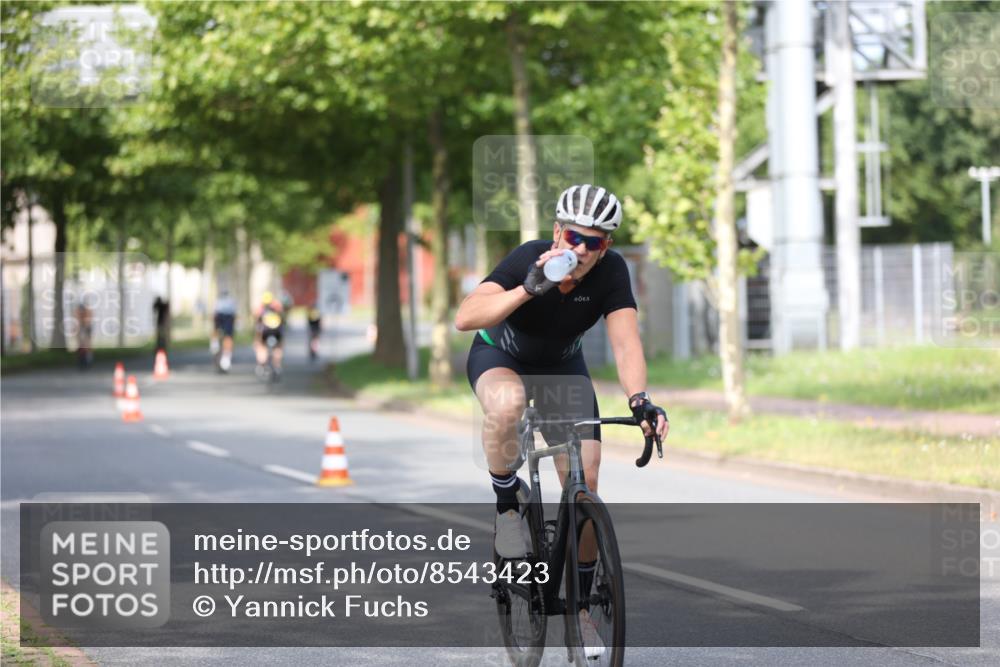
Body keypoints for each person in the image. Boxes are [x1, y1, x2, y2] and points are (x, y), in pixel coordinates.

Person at [454, 184, 669, 657]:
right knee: (507, 405)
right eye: (573, 237)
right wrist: (527, 289)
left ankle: (585, 612)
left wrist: (640, 399)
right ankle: (509, 504)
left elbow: (626, 341)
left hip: (561, 369)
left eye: (592, 242)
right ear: (557, 232)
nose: (580, 249)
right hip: (500, 355)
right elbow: (466, 317)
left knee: (585, 482)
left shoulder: (612, 273)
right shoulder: (529, 257)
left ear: (605, 246)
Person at [253, 291, 285, 379]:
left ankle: (261, 364)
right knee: (278, 347)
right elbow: (283, 319)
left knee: (261, 345)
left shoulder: (261, 308)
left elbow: (257, 322)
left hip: (265, 332)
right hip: (277, 332)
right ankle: (277, 366)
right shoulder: (277, 306)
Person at [212, 291, 237, 372]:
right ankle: (217, 345)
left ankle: (216, 344)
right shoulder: (230, 301)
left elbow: (214, 315)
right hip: (225, 317)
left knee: (226, 337)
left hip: (224, 317)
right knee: (227, 337)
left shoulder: (219, 301)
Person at [75, 301, 93, 370]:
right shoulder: (78, 315)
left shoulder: (87, 315)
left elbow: (87, 325)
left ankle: (87, 362)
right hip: (82, 330)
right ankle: (81, 362)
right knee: (80, 348)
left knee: (87, 348)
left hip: (86, 330)